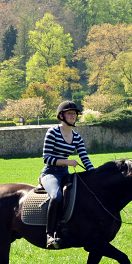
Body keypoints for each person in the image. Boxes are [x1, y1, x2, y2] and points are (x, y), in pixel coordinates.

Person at [40, 101, 95, 249]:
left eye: (75, 113)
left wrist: (95, 174)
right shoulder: (52, 132)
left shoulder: (76, 137)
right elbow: (46, 158)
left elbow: (85, 158)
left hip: (65, 174)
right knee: (56, 196)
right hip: (50, 173)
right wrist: (67, 162)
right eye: (69, 113)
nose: (73, 116)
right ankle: (50, 235)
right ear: (61, 115)